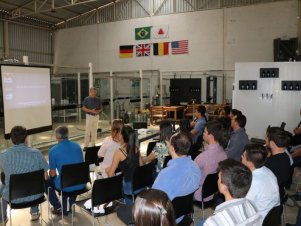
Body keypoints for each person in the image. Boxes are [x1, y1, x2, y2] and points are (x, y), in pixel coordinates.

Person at [0, 126, 49, 223]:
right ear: (26, 138)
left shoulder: (3, 156)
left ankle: (2, 217)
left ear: (11, 139)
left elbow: (5, 175)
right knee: (32, 180)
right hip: (36, 196)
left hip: (13, 198)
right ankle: (35, 212)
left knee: (3, 186)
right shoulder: (37, 153)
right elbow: (45, 177)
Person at [152, 132, 201, 222]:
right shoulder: (195, 167)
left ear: (172, 148)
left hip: (166, 218)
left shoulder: (165, 174)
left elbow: (154, 201)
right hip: (183, 214)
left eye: (169, 143)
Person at [202, 159, 261, 226]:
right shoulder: (253, 206)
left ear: (224, 187)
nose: (217, 180)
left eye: (219, 178)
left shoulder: (214, 222)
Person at [46, 126, 85, 216]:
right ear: (67, 135)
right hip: (81, 182)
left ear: (57, 136)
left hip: (66, 186)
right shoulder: (77, 146)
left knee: (47, 180)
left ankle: (58, 206)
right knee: (72, 175)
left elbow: (53, 173)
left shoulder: (53, 151)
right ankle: (69, 203)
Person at [106, 125, 143, 204]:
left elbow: (110, 174)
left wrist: (107, 169)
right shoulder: (136, 148)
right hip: (140, 184)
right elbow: (141, 165)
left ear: (122, 136)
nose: (118, 135)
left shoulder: (119, 152)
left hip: (128, 187)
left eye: (119, 133)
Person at [242, 144, 280, 219]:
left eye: (243, 156)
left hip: (259, 218)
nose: (241, 157)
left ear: (250, 163)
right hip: (273, 214)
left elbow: (245, 205)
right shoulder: (268, 171)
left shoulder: (253, 181)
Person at [194, 121, 227, 202]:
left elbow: (190, 173)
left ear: (211, 136)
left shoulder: (203, 157)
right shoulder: (224, 154)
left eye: (205, 132)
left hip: (200, 195)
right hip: (215, 191)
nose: (203, 134)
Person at [265, 127, 291, 203]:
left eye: (267, 138)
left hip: (270, 199)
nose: (265, 140)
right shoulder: (286, 156)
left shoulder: (270, 163)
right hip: (279, 193)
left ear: (272, 143)